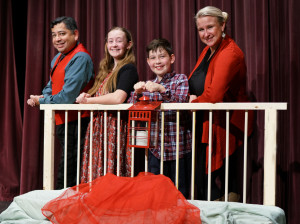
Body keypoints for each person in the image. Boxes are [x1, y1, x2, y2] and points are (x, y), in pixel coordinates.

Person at [188, 6, 253, 201]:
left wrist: (194, 101)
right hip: (209, 122)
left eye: (210, 27)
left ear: (222, 25)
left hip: (225, 126)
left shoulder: (230, 52)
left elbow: (215, 94)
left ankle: (225, 217)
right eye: (201, 29)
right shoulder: (208, 50)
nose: (206, 33)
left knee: (209, 179)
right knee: (211, 180)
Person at [27, 16, 95, 189]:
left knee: (69, 167)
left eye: (62, 34)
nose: (57, 39)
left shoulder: (80, 57)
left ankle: (61, 205)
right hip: (62, 119)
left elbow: (67, 97)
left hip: (77, 120)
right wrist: (42, 97)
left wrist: (42, 101)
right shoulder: (58, 58)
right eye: (54, 35)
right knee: (67, 163)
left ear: (75, 34)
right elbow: (50, 88)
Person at [129, 38, 192, 198]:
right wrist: (136, 94)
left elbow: (182, 100)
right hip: (155, 149)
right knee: (155, 193)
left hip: (178, 148)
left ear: (171, 58)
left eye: (162, 56)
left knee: (179, 192)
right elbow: (131, 106)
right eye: (153, 58)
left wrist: (162, 89)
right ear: (148, 61)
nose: (158, 61)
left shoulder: (180, 79)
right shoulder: (148, 84)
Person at [76, 27, 139, 182]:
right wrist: (87, 95)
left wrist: (88, 101)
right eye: (110, 41)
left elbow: (118, 97)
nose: (114, 45)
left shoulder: (128, 68)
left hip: (114, 127)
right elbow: (101, 94)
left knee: (111, 171)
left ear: (128, 44)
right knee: (97, 169)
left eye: (119, 40)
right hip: (99, 127)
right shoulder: (107, 69)